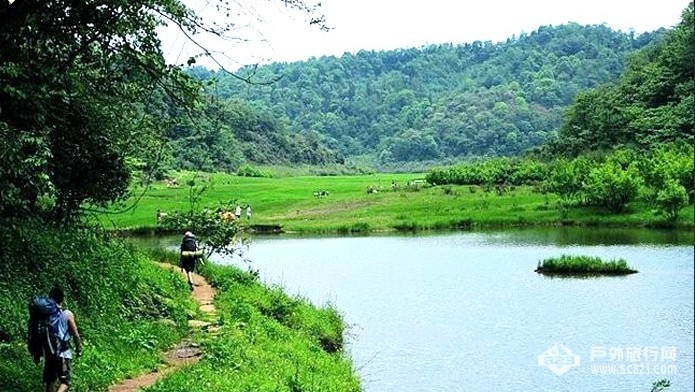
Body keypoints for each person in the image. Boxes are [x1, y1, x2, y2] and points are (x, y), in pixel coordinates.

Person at [43, 287, 82, 392]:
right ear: (62, 299)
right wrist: (79, 348)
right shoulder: (67, 314)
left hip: (50, 353)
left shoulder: (46, 315)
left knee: (50, 381)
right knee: (65, 381)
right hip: (63, 353)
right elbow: (75, 334)